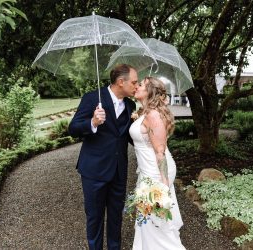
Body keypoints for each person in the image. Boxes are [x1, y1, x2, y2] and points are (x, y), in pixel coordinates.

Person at [68, 64, 138, 250]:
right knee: (95, 217)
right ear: (120, 82)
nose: (136, 86)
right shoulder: (92, 98)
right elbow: (73, 128)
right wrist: (93, 122)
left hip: (118, 170)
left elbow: (128, 136)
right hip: (94, 171)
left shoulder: (131, 105)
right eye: (134, 82)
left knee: (116, 217)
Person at [129, 77, 186, 249]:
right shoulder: (147, 112)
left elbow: (160, 152)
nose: (136, 86)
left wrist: (164, 185)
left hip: (156, 174)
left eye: (141, 85)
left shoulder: (153, 115)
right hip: (147, 171)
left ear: (150, 92)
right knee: (146, 222)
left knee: (157, 224)